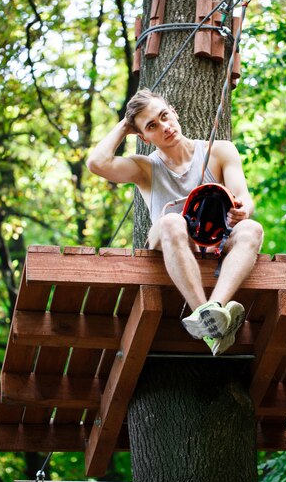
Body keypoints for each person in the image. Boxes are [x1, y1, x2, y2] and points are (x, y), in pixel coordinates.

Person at [86, 89, 264, 355]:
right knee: (172, 221)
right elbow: (97, 163)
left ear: (174, 111)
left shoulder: (219, 151)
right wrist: (125, 125)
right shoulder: (145, 168)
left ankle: (213, 312)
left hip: (216, 242)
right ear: (143, 137)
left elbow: (245, 199)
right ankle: (204, 311)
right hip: (169, 240)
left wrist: (242, 211)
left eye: (164, 116)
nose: (165, 127)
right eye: (152, 126)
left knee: (253, 228)